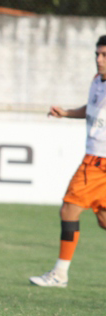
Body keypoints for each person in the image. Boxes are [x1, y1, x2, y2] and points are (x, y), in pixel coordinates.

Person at [30, 35, 106, 288]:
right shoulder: (97, 81)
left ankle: (60, 274)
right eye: (97, 54)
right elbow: (91, 109)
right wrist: (66, 113)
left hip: (97, 163)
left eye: (104, 55)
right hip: (95, 160)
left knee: (69, 209)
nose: (99, 60)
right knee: (103, 219)